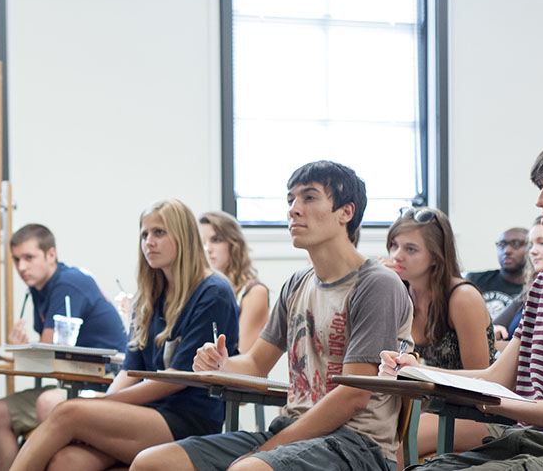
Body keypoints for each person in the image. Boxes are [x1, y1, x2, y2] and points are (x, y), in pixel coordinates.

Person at [130, 160, 412, 471]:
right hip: (294, 430)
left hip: (356, 445)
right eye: (290, 199)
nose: (293, 209)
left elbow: (353, 396)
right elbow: (255, 363)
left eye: (308, 197)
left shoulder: (376, 284)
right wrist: (220, 364)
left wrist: (266, 450)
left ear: (346, 212)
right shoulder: (297, 283)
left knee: (247, 469)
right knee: (152, 463)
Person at [378, 137, 543, 471]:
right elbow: (495, 378)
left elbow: (503, 397)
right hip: (526, 439)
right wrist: (410, 369)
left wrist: (504, 406)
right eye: (541, 186)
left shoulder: (461, 296)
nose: (541, 200)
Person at [9, 200, 239, 471]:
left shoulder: (213, 291)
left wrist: (104, 403)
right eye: (144, 234)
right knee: (66, 461)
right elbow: (130, 371)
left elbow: (178, 378)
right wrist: (104, 404)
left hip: (189, 419)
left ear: (184, 236)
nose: (148, 242)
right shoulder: (150, 295)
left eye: (159, 233)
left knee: (68, 411)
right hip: (146, 413)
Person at [0, 223, 129, 471]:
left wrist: (26, 350)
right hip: (71, 381)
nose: (21, 267)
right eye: (16, 259)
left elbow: (49, 349)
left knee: (48, 403)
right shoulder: (38, 288)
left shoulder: (68, 283)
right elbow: (49, 352)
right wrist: (27, 349)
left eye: (29, 258)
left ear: (51, 254)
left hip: (103, 384)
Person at [379, 207, 496, 462]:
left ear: (435, 256)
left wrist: (422, 379)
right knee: (366, 437)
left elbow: (482, 386)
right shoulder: (402, 293)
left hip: (480, 414)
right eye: (394, 245)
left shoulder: (462, 297)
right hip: (432, 407)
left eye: (410, 249)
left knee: (390, 449)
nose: (396, 256)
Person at [492, 215, 543, 348]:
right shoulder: (531, 290)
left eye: (542, 242)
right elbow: (494, 325)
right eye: (531, 245)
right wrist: (493, 331)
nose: (532, 251)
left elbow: (533, 349)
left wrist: (496, 345)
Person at [199, 211, 270, 353]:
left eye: (216, 240)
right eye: (202, 243)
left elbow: (245, 359)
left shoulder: (254, 292)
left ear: (233, 244)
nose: (208, 249)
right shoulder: (199, 290)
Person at [465, 227, 529, 320]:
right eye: (502, 245)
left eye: (515, 244)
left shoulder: (535, 287)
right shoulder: (475, 280)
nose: (507, 251)